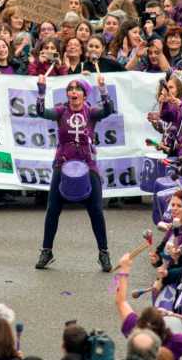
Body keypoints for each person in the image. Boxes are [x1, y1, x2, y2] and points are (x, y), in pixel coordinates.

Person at [34, 73, 115, 271]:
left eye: (78, 89)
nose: (73, 92)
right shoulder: (61, 111)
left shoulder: (91, 112)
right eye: (70, 89)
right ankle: (46, 251)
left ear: (85, 95)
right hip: (63, 164)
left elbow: (108, 110)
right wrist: (41, 90)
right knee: (52, 209)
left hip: (88, 164)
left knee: (96, 210)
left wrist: (103, 89)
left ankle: (103, 253)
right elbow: (41, 112)